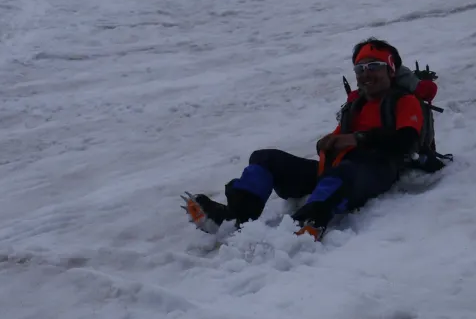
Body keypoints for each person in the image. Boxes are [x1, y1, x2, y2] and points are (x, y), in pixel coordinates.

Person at [184, 38, 430, 238]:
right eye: (360, 68)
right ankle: (236, 217)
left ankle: (305, 224)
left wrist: (358, 139)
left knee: (341, 174)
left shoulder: (404, 101)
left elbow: (406, 140)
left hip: (375, 171)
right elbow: (341, 138)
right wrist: (327, 142)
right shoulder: (356, 105)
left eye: (374, 66)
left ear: (390, 69)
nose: (366, 73)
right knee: (264, 158)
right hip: (336, 171)